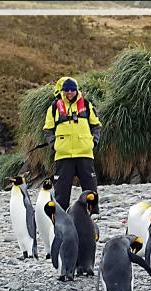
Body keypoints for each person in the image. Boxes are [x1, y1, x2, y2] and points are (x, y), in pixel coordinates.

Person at [43, 76, 101, 210]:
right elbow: (47, 130)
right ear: (62, 91)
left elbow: (96, 126)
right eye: (66, 90)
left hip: (84, 153)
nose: (69, 92)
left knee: (90, 187)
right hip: (64, 155)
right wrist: (54, 144)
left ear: (77, 90)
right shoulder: (54, 108)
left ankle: (92, 212)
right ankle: (61, 214)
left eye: (72, 90)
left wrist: (94, 142)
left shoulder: (86, 104)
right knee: (61, 190)